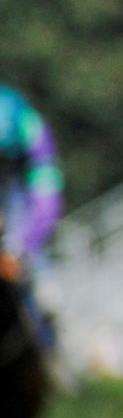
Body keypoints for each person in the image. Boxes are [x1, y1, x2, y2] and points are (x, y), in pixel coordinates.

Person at [0, 84, 63, 349]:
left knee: (41, 288)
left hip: (19, 206)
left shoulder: (29, 125)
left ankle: (49, 343)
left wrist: (23, 244)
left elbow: (46, 198)